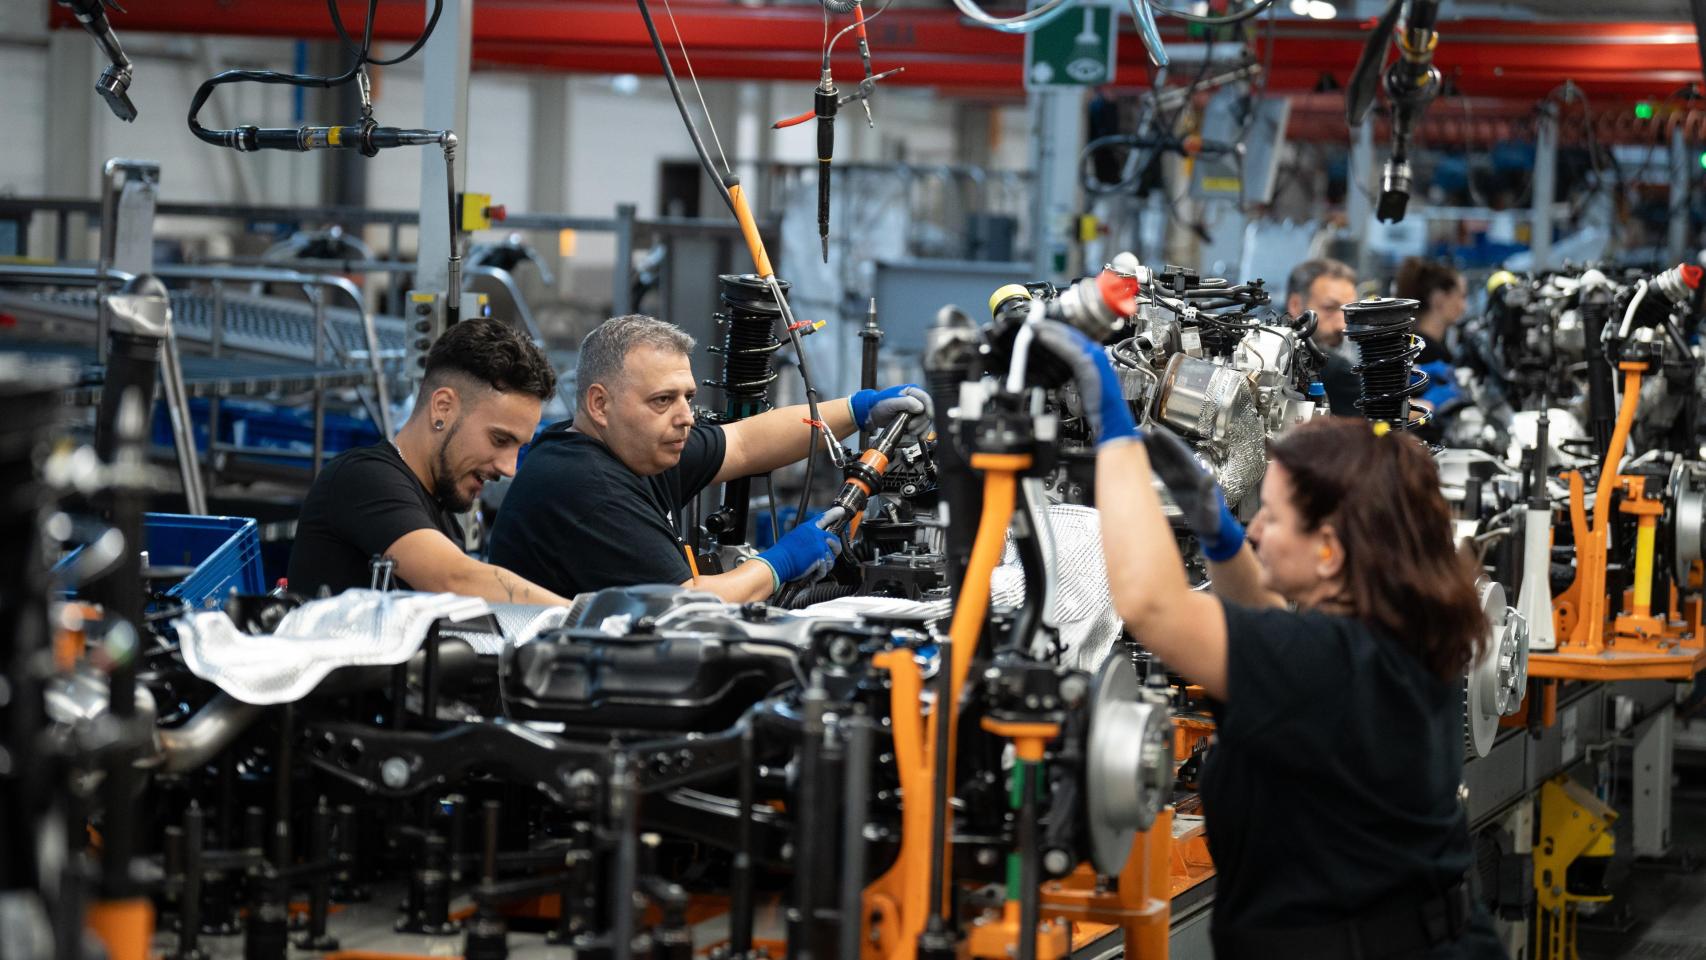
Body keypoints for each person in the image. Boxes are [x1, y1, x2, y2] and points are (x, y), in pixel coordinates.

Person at [1031, 320, 1506, 960]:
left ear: (1330, 550)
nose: (1258, 531)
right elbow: (1267, 622)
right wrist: (1220, 537)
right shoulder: (1385, 631)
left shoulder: (1333, 659)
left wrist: (1115, 434)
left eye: (1272, 517)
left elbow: (1152, 606)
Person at [488, 315, 931, 604]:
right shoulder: (586, 486)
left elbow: (744, 441)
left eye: (687, 397)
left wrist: (859, 408)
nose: (685, 417)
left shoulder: (634, 448)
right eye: (663, 400)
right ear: (600, 404)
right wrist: (780, 562)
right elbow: (688, 605)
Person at [287, 318, 575, 605]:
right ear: (443, 408)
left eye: (519, 447)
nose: (509, 468)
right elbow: (455, 578)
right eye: (500, 440)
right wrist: (576, 614)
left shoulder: (443, 521)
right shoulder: (362, 479)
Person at [1285, 257, 1362, 417]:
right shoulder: (1337, 371)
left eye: (1348, 312)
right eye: (1329, 308)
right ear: (1295, 304)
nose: (1341, 325)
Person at [1394, 257, 1469, 416]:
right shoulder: (1427, 351)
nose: (1464, 307)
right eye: (1461, 296)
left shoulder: (1411, 343)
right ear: (1438, 298)